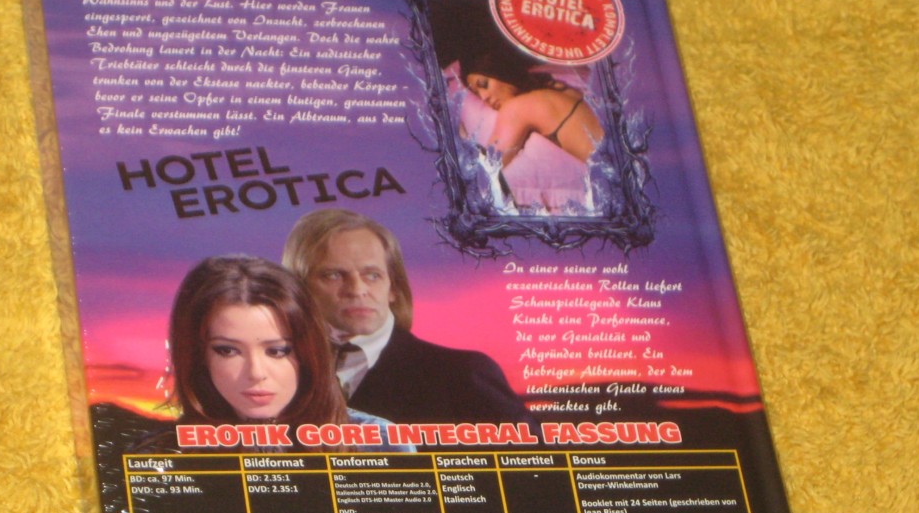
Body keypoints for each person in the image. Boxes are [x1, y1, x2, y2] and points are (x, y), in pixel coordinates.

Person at [282, 209, 537, 428]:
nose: (357, 290)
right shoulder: (279, 373)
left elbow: (537, 464)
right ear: (299, 287)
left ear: (393, 287)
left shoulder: (463, 375)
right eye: (333, 275)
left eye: (372, 275)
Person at [161, 254, 408, 453]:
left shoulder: (378, 441)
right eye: (228, 350)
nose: (256, 373)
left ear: (309, 352)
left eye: (277, 351)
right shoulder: (163, 453)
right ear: (199, 356)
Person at [460, 48, 605, 170]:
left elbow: (488, 168)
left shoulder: (517, 107)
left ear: (500, 72)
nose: (484, 97)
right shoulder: (558, 88)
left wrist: (461, 134)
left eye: (483, 84)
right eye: (477, 94)